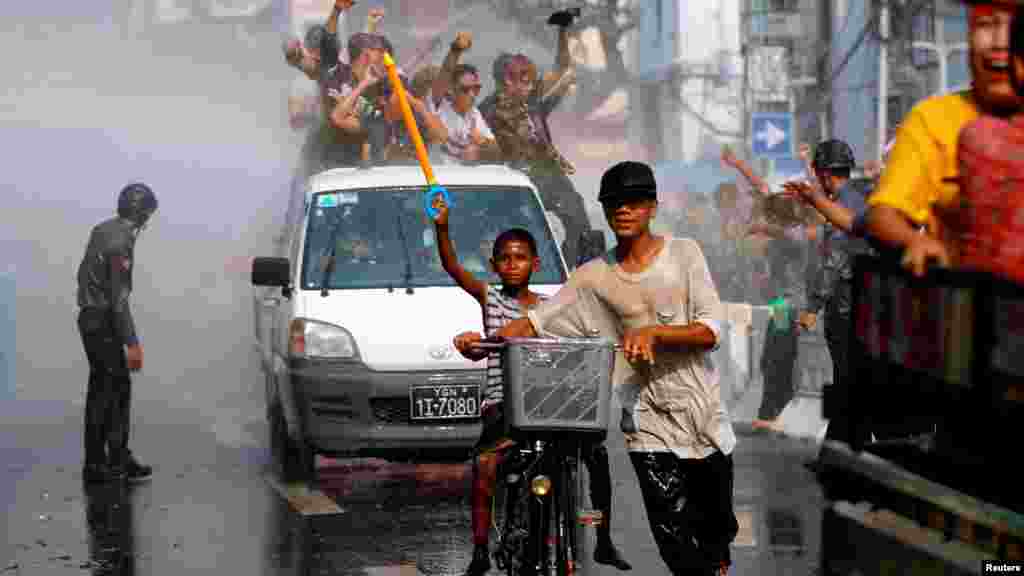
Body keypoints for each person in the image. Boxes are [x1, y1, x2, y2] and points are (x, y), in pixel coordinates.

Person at [495, 161, 738, 576]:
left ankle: (716, 559)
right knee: (673, 540)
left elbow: (711, 330)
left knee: (715, 532)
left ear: (652, 207)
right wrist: (480, 341)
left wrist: (656, 334)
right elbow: (537, 319)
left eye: (634, 202)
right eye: (613, 204)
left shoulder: (684, 254)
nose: (623, 210)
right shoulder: (593, 276)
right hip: (646, 420)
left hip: (702, 413)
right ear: (605, 211)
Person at [429, 195, 631, 575]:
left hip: (547, 405)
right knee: (486, 465)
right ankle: (478, 551)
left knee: (597, 454)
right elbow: (453, 267)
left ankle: (603, 540)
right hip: (502, 406)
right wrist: (441, 226)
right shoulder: (490, 299)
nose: (512, 264)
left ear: (535, 264)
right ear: (494, 265)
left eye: (520, 257)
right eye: (504, 258)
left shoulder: (550, 307)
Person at [865, 0, 1022, 277]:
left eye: (1017, 26)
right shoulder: (938, 121)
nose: (1001, 42)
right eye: (987, 24)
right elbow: (884, 214)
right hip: (969, 305)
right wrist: (915, 242)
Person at [479, 10, 593, 268]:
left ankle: (572, 271)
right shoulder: (487, 110)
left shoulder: (532, 101)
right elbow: (485, 147)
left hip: (549, 173)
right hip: (517, 178)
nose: (527, 84)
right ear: (504, 81)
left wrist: (563, 31)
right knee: (522, 232)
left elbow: (561, 66)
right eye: (518, 78)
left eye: (528, 78)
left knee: (579, 221)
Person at [781, 140, 875, 448]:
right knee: (851, 380)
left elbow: (834, 260)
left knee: (846, 377)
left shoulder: (842, 208)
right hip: (864, 306)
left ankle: (843, 446)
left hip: (845, 308)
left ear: (824, 175)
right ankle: (846, 445)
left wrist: (812, 307)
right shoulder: (859, 199)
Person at [77, 183, 158, 484]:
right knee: (111, 391)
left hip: (89, 317)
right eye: (148, 214)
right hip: (102, 320)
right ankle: (103, 464)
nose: (147, 222)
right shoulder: (121, 242)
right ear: (141, 213)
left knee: (107, 389)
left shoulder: (102, 229)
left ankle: (111, 459)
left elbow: (85, 274)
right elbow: (118, 299)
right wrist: (132, 343)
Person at [427, 32, 502, 165]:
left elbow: (497, 150)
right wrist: (456, 50)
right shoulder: (439, 105)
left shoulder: (474, 114)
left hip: (465, 180)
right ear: (451, 90)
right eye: (465, 89)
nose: (472, 94)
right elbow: (445, 73)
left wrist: (483, 145)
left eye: (476, 88)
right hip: (439, 178)